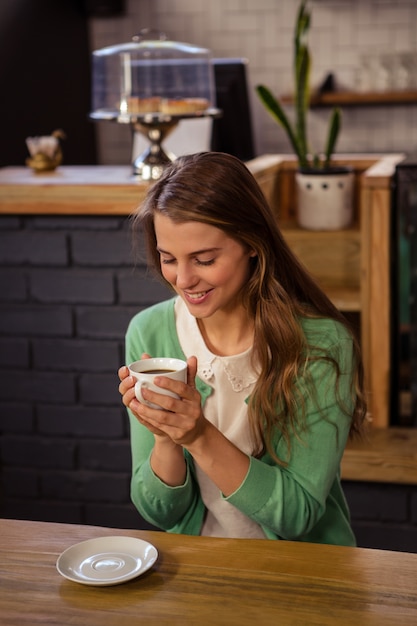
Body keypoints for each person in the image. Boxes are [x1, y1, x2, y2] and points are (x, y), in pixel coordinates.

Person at [118, 151, 366, 545]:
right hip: (201, 569)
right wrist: (165, 436)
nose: (183, 280)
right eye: (168, 259)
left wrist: (197, 435)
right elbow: (160, 513)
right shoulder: (149, 332)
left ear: (252, 243)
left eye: (204, 259)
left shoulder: (322, 344)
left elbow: (297, 515)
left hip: (303, 574)